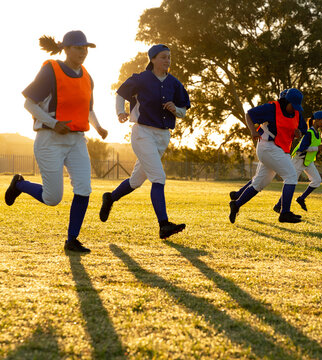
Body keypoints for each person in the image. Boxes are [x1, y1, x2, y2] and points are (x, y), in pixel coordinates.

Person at [5, 30, 108, 253]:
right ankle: (20, 184)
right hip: (49, 139)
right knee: (52, 198)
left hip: (77, 140)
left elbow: (88, 109)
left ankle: (72, 240)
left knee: (84, 188)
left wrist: (98, 127)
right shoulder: (51, 70)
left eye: (86, 48)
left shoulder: (87, 76)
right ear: (66, 49)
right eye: (79, 48)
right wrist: (53, 123)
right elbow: (28, 105)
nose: (83, 52)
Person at [99, 44, 190, 239]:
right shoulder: (141, 79)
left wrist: (176, 109)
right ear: (153, 59)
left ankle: (110, 198)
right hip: (143, 133)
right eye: (163, 57)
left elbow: (183, 110)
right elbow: (120, 94)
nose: (167, 60)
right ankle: (164, 225)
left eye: (169, 57)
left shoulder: (174, 83)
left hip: (163, 136)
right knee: (159, 177)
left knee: (136, 180)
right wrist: (120, 112)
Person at [228, 88, 307, 224]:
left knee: (259, 183)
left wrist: (298, 133)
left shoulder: (297, 113)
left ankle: (236, 204)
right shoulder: (272, 108)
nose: (294, 109)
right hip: (267, 147)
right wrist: (253, 130)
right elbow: (249, 114)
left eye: (296, 107)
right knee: (291, 176)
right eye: (292, 106)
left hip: (281, 150)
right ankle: (284, 213)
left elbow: (301, 130)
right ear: (285, 101)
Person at [273, 110, 322, 212]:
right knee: (291, 183)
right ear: (316, 120)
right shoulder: (309, 133)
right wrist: (317, 148)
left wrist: (318, 151)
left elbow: (312, 148)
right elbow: (302, 148)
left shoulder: (317, 133)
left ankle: (301, 198)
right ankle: (278, 206)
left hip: (308, 162)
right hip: (298, 160)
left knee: (317, 180)